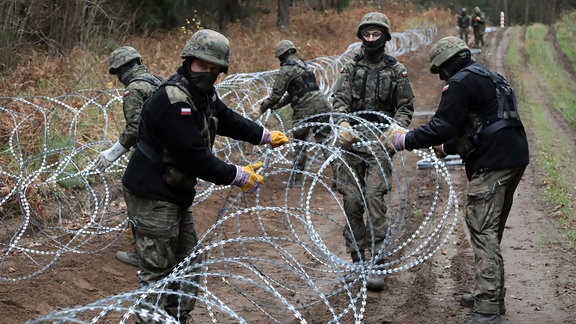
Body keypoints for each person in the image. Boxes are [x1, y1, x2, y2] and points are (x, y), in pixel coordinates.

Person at [121, 29, 289, 323]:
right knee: (159, 271)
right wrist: (236, 174)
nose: (207, 73)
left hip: (173, 192)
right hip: (151, 194)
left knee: (189, 264)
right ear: (188, 61)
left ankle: (176, 318)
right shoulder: (175, 101)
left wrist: (263, 135)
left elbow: (225, 118)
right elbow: (193, 156)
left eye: (214, 69)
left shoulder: (202, 93)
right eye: (201, 65)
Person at [384, 36, 529, 324]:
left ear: (445, 64)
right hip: (514, 157)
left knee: (482, 230)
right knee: (491, 229)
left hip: (492, 163)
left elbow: (443, 125)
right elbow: (478, 125)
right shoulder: (490, 76)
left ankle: (486, 310)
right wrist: (446, 147)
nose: (442, 78)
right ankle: (490, 295)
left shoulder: (460, 82)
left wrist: (405, 139)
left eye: (440, 72)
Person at [332, 11, 415, 291]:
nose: (370, 39)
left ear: (385, 37)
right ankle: (358, 259)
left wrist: (394, 131)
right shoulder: (350, 67)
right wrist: (342, 123)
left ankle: (378, 261)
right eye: (366, 34)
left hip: (379, 141)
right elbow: (339, 99)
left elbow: (405, 107)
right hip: (352, 140)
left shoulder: (395, 70)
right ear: (361, 37)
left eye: (375, 34)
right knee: (353, 201)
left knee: (374, 199)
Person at [97, 46, 163, 267]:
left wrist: (112, 153)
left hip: (151, 153)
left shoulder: (134, 90)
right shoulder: (158, 81)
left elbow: (135, 128)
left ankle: (144, 252)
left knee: (134, 192)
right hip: (171, 152)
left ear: (121, 70)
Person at [259, 40, 333, 188]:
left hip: (305, 108)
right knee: (325, 142)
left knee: (300, 143)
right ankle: (341, 176)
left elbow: (276, 94)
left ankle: (297, 180)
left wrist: (261, 108)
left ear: (281, 56)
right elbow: (297, 92)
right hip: (322, 104)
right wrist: (278, 106)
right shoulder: (303, 65)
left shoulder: (286, 69)